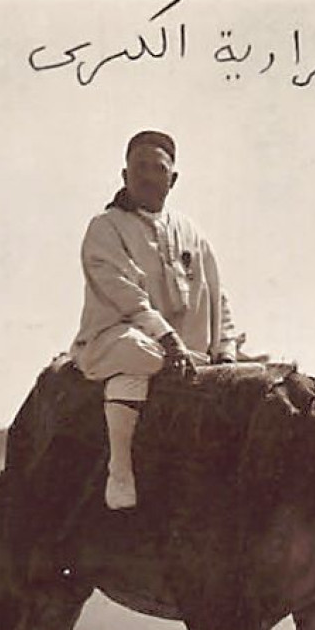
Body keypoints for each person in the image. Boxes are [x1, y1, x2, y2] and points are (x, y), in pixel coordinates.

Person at [70, 130, 243, 509]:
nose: (148, 175)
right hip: (118, 340)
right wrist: (168, 340)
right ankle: (120, 474)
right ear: (124, 174)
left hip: (189, 353)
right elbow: (126, 295)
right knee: (139, 357)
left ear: (173, 179)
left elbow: (218, 295)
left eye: (157, 168)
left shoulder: (191, 232)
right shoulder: (105, 227)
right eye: (139, 167)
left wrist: (226, 352)